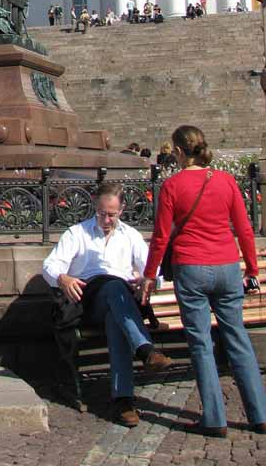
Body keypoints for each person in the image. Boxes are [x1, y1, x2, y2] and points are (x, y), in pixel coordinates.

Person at [140, 126, 266, 437]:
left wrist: (149, 275)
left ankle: (214, 418)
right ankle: (260, 414)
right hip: (226, 266)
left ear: (180, 152)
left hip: (191, 267)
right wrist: (252, 269)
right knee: (237, 338)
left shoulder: (172, 185)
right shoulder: (225, 181)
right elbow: (244, 229)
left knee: (201, 344)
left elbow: (160, 237)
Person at [43, 180, 171, 425]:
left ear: (121, 211)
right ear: (95, 207)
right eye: (102, 213)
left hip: (121, 304)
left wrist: (145, 281)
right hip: (88, 303)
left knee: (117, 317)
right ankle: (145, 350)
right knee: (112, 287)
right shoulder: (77, 233)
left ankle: (123, 402)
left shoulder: (131, 236)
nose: (106, 219)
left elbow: (155, 274)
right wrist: (63, 278)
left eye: (112, 214)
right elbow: (50, 265)